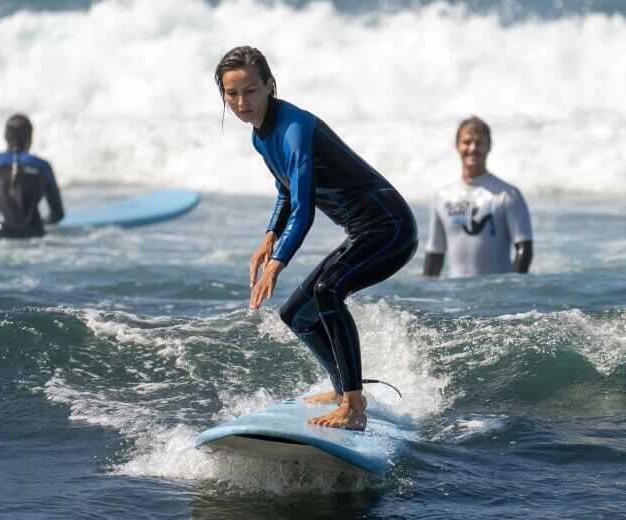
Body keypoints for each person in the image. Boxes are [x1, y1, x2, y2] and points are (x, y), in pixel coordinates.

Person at [215, 46, 418, 431]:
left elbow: (305, 210)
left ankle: (354, 403)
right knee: (297, 314)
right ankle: (343, 389)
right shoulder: (261, 135)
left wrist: (278, 264)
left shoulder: (295, 130)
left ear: (269, 87)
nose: (242, 102)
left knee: (328, 291)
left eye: (251, 91)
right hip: (363, 231)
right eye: (232, 94)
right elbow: (286, 190)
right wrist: (269, 236)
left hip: (391, 227)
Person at [423, 116, 532, 278]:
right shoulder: (442, 197)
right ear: (457, 146)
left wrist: (513, 289)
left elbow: (525, 248)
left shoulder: (507, 195)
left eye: (479, 143)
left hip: (495, 293)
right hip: (455, 295)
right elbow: (435, 254)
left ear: (489, 147)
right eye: (467, 142)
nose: (473, 148)